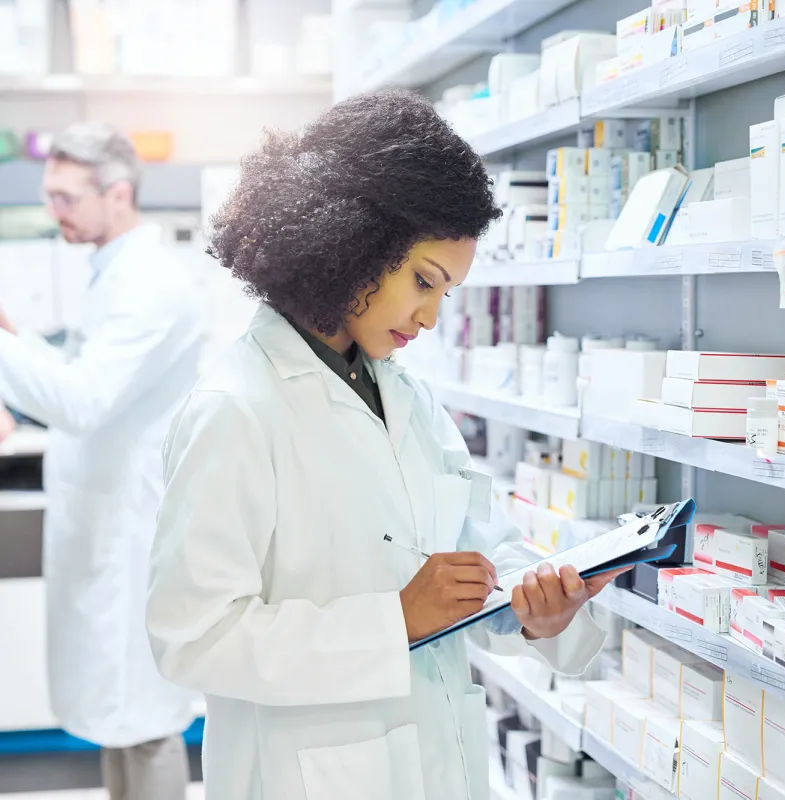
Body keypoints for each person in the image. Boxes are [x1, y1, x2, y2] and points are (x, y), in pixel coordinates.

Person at [146, 91, 623, 800]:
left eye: (446, 294)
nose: (430, 316)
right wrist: (394, 619)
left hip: (435, 763)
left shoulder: (405, 395)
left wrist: (537, 604)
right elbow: (192, 636)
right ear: (348, 244)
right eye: (422, 281)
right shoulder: (237, 408)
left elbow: (478, 546)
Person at [0, 122, 205, 799]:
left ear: (117, 193)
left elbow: (84, 400)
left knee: (144, 720)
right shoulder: (116, 270)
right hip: (107, 519)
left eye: (65, 198)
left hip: (132, 530)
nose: (53, 211)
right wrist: (21, 339)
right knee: (122, 723)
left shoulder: (148, 279)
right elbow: (88, 371)